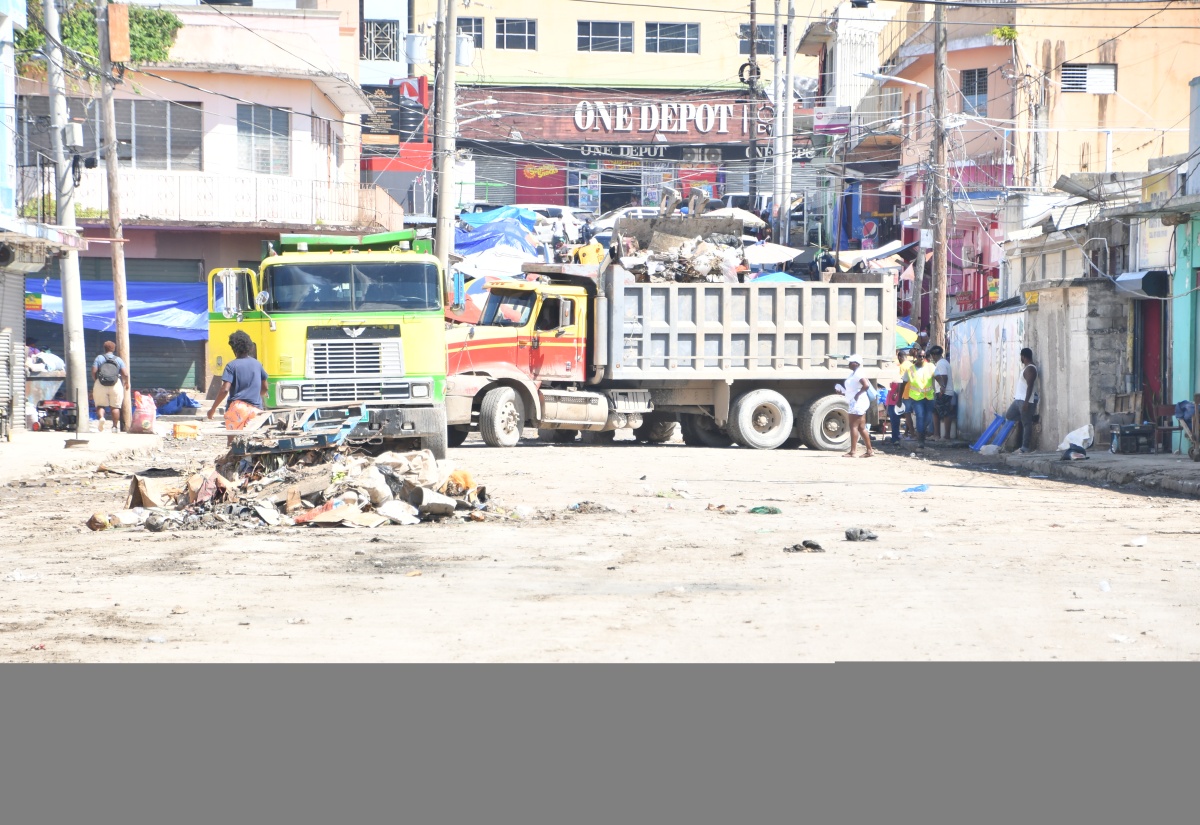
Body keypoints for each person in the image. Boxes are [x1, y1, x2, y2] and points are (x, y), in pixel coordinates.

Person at [207, 330, 269, 442]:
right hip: (256, 409)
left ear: (234, 348)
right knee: (253, 443)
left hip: (237, 408)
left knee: (232, 445)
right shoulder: (257, 364)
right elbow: (265, 388)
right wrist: (256, 396)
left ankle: (232, 459)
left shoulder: (231, 366)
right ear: (249, 346)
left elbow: (225, 390)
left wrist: (213, 409)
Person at [899, 348, 936, 448]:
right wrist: (899, 399)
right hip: (916, 398)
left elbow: (937, 376)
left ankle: (921, 431)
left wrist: (942, 385)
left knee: (928, 418)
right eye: (920, 356)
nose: (922, 358)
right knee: (920, 416)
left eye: (923, 356)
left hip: (929, 396)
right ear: (916, 357)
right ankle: (920, 440)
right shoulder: (910, 369)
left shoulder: (930, 366)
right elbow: (903, 384)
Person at [1004, 347, 1039, 453]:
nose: (1021, 358)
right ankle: (1031, 418)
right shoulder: (1026, 367)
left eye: (1021, 356)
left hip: (1025, 400)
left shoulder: (1031, 369)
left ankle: (1025, 447)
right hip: (1018, 399)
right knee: (1009, 415)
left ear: (1024, 356)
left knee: (1026, 424)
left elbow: (1030, 386)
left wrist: (1026, 402)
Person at [840, 354, 874, 458]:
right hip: (857, 401)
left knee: (853, 426)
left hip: (858, 402)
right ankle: (869, 451)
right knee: (861, 427)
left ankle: (853, 452)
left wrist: (857, 395)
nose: (849, 364)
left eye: (851, 362)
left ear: (856, 363)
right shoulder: (855, 373)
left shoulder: (858, 373)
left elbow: (866, 385)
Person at [91, 341, 129, 433]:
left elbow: (93, 371)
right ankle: (115, 427)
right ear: (114, 349)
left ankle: (101, 418)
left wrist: (96, 380)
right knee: (115, 407)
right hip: (115, 384)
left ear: (104, 348)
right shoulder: (118, 359)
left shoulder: (99, 358)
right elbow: (125, 374)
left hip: (100, 383)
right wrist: (127, 382)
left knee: (100, 405)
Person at [930, 345, 955, 441]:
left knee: (945, 413)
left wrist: (942, 389)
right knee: (935, 411)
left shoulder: (940, 363)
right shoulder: (943, 362)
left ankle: (946, 436)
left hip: (944, 392)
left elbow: (944, 376)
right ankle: (936, 434)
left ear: (934, 355)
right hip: (943, 391)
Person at [886, 348, 911, 446]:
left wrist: (896, 393)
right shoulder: (910, 365)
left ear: (900, 357)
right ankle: (905, 434)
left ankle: (895, 437)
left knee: (895, 417)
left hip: (898, 395)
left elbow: (900, 382)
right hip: (909, 394)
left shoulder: (902, 367)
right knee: (907, 415)